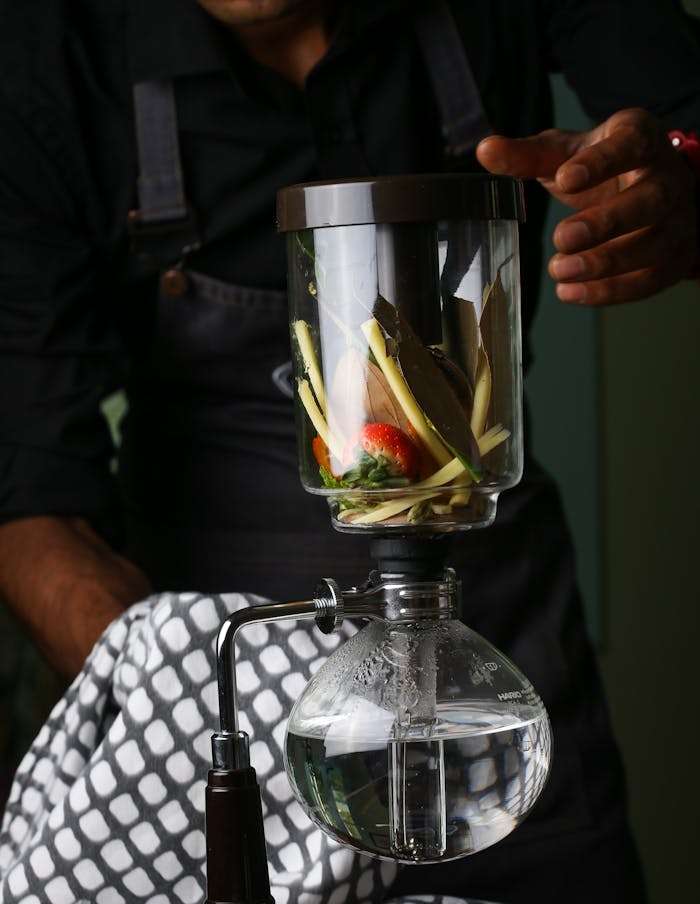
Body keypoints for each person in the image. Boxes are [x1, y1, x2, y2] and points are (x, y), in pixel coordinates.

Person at [0, 0, 698, 900]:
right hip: (233, 687)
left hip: (500, 639)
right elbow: (28, 500)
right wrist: (197, 689)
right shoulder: (42, 54)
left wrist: (684, 183)